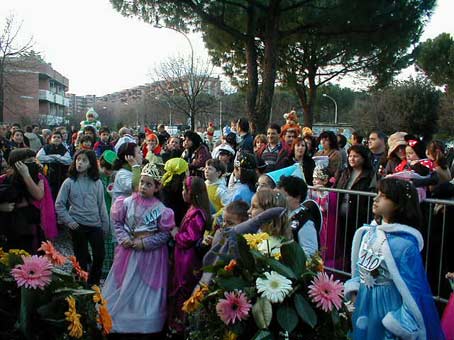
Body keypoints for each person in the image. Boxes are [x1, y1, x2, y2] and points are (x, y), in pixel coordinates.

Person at [345, 178, 445, 340]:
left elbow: (412, 290)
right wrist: (355, 291)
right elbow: (360, 268)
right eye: (377, 193)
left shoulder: (404, 245)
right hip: (364, 301)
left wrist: (398, 324)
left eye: (383, 196)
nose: (376, 199)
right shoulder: (369, 232)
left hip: (386, 306)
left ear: (398, 204)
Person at [103, 162, 175, 335]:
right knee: (125, 283)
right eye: (142, 182)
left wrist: (144, 244)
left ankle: (143, 318)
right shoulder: (126, 202)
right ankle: (122, 316)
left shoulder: (162, 210)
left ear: (157, 187)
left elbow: (165, 235)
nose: (143, 187)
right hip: (128, 252)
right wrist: (124, 238)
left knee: (144, 287)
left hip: (150, 256)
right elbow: (118, 223)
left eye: (149, 184)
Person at [55, 150, 109, 285]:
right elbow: (59, 204)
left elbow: (101, 206)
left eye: (84, 160)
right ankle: (81, 286)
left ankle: (94, 283)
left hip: (95, 225)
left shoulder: (97, 183)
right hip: (77, 225)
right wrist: (69, 221)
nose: (80, 163)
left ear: (91, 164)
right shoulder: (69, 182)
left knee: (99, 255)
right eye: (78, 159)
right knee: (81, 258)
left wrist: (105, 226)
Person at [168, 176, 211, 335]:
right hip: (182, 256)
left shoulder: (197, 214)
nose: (182, 192)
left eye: (185, 190)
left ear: (193, 193)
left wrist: (175, 234)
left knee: (183, 288)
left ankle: (181, 327)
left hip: (188, 258)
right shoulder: (192, 209)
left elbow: (190, 238)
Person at [0, 148, 57, 253]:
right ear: (17, 164)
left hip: (30, 225)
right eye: (29, 161)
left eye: (34, 160)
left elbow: (38, 195)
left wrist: (26, 175)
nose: (34, 163)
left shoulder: (38, 178)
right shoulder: (4, 178)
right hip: (8, 225)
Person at [277, 175, 321, 257]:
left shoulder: (305, 221)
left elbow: (310, 252)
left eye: (284, 196)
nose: (280, 200)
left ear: (297, 197)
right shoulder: (282, 214)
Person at [36, 131, 72, 200]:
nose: (56, 139)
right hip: (48, 175)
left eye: (58, 137)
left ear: (61, 139)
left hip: (61, 176)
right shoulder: (45, 148)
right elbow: (39, 158)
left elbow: (68, 161)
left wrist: (55, 156)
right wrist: (57, 158)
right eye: (54, 137)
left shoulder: (64, 149)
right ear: (50, 139)